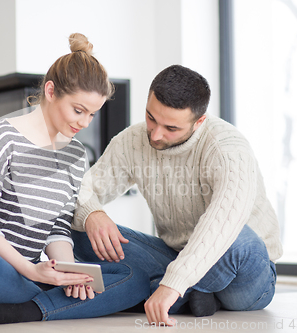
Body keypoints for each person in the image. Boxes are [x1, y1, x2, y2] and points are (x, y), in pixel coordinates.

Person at [0, 33, 149, 326]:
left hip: (28, 273)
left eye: (93, 114)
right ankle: (53, 302)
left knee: (133, 277)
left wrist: (69, 270)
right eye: (78, 110)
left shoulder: (76, 154)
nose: (84, 123)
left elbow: (58, 226)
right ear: (50, 91)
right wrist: (34, 272)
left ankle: (26, 308)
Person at [71, 64, 284, 326]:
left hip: (245, 272)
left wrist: (172, 284)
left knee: (240, 239)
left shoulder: (227, 148)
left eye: (171, 128)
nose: (156, 134)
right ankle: (194, 295)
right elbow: (80, 188)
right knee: (83, 231)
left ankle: (172, 292)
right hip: (176, 257)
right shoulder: (133, 140)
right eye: (151, 117)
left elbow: (223, 225)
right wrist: (92, 212)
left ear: (199, 122)